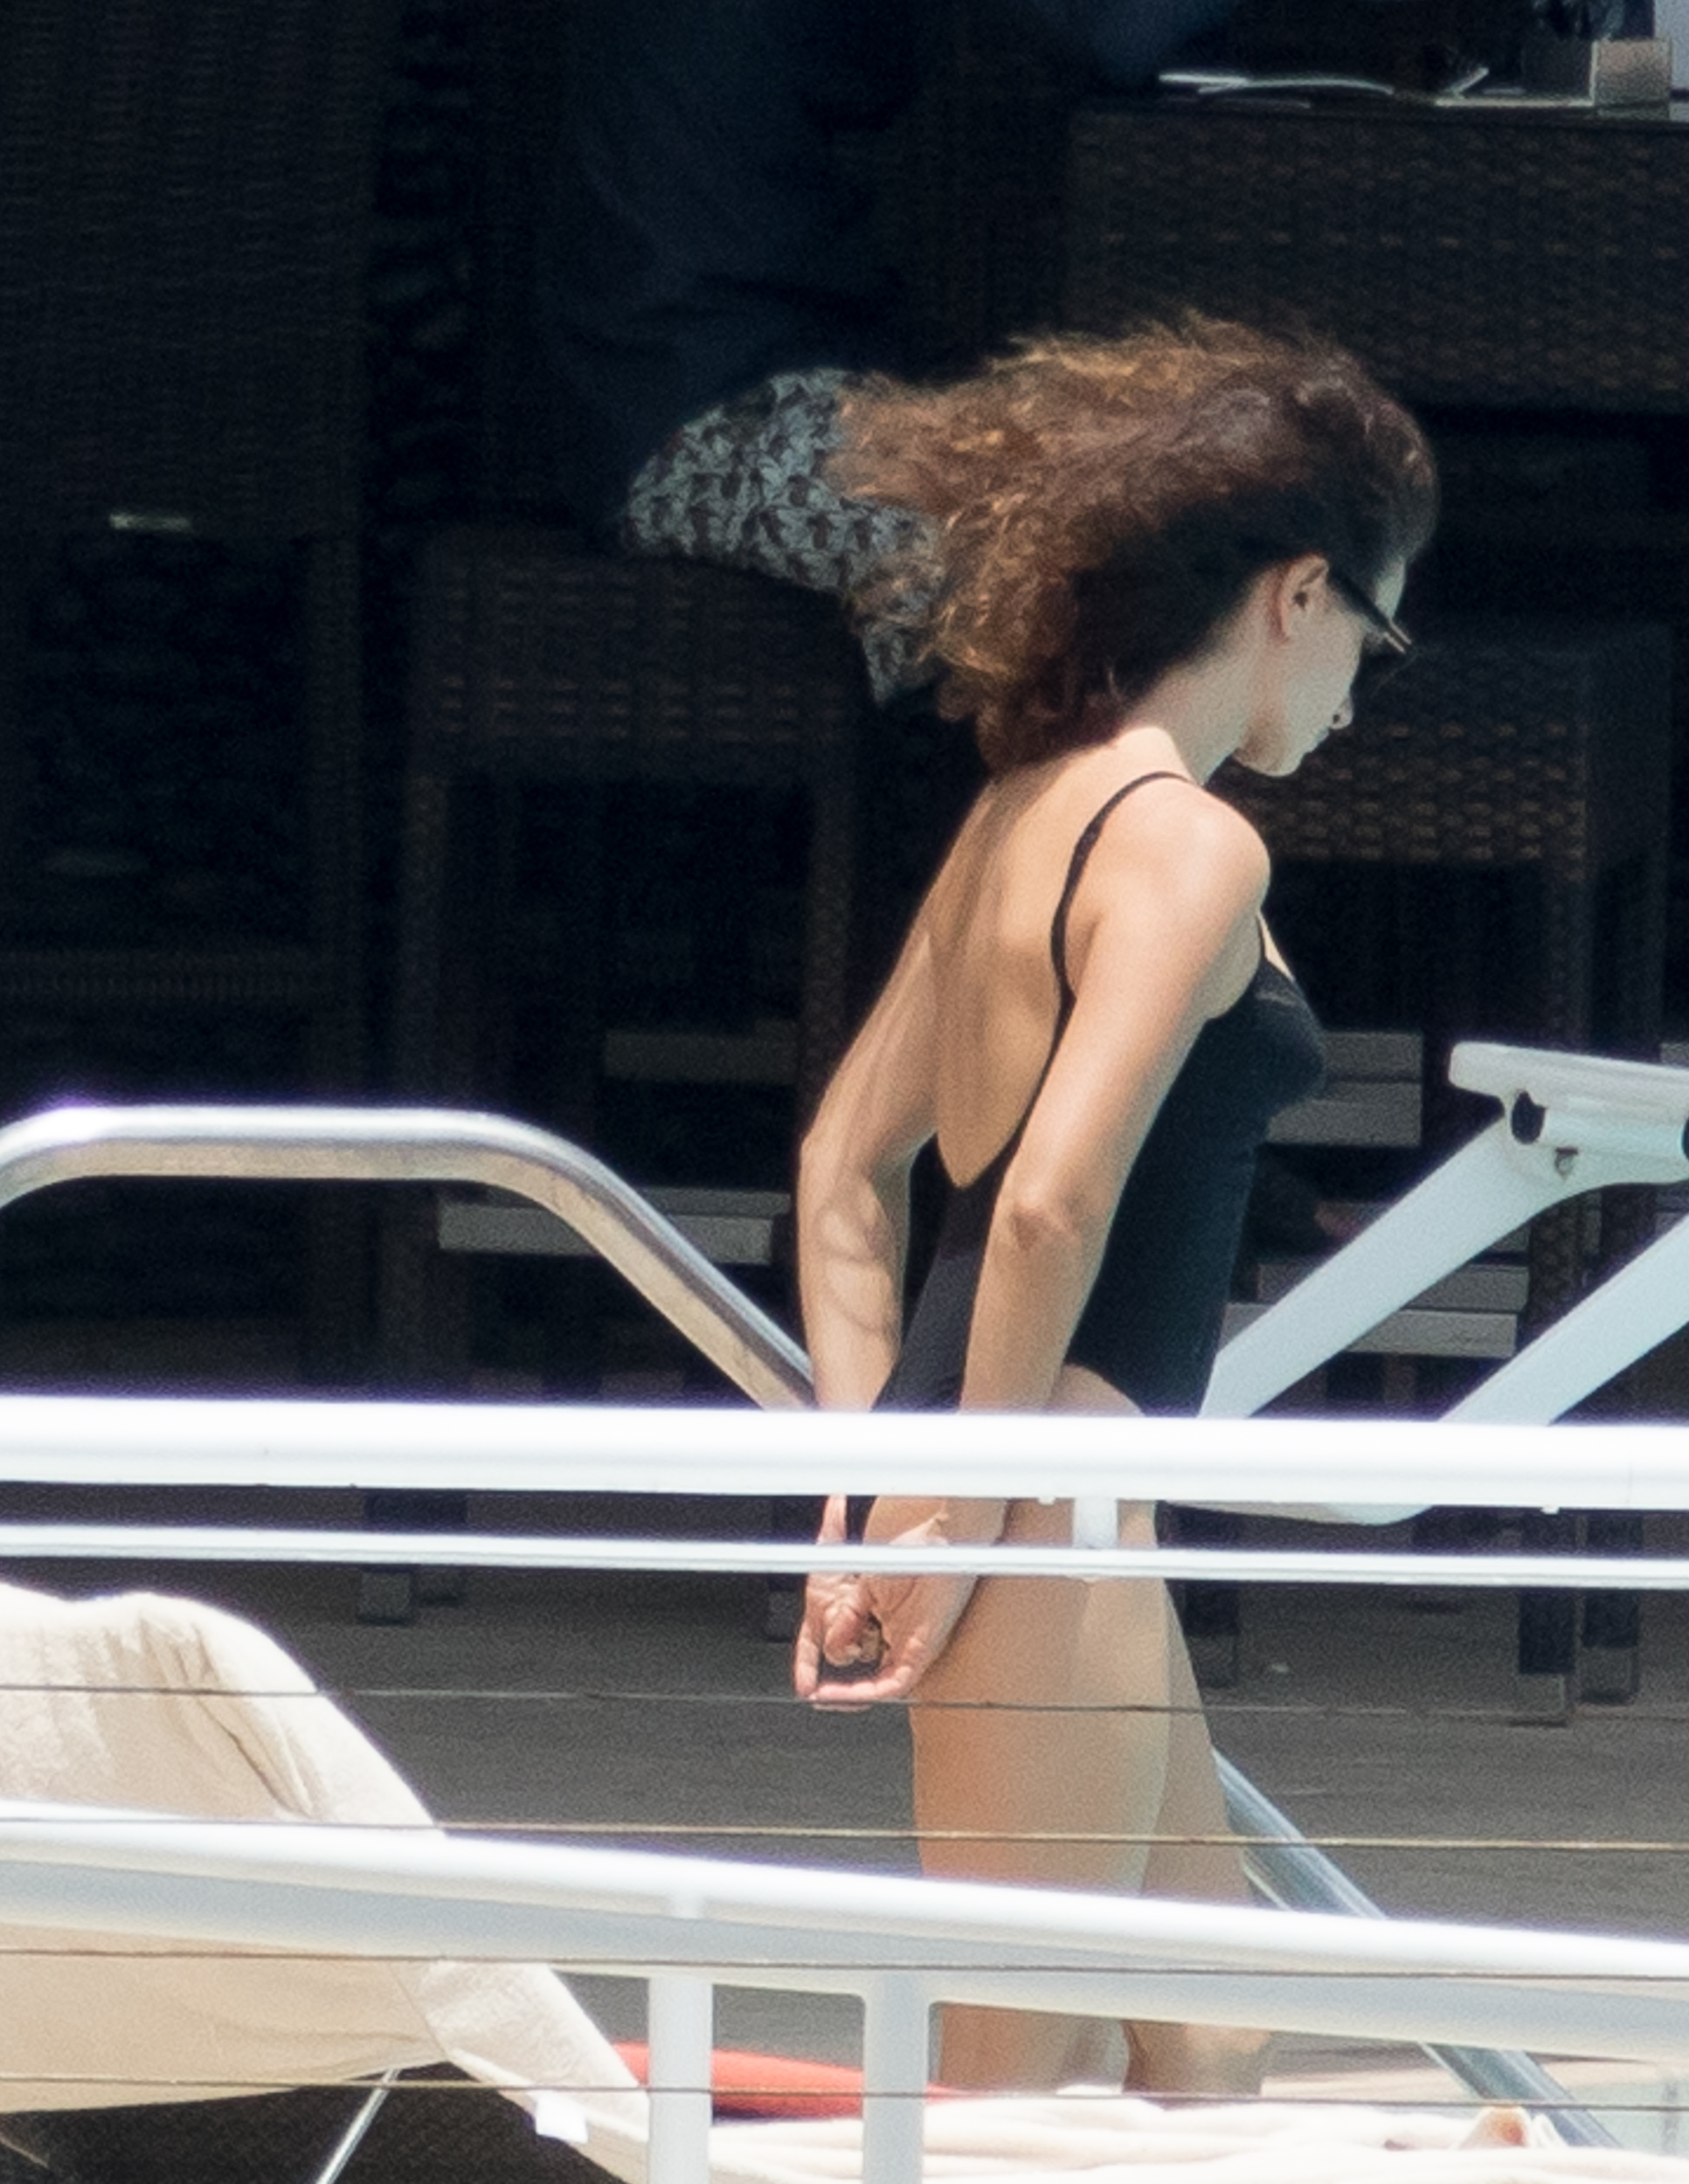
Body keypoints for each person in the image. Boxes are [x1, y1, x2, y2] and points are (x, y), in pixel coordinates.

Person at [788, 319, 1437, 2093]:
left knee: (1209, 2033)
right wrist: (961, 1516)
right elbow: (1049, 1206)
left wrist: (870, 1491)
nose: (1361, 693)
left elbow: (846, 1170)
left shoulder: (1021, 809)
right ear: (1298, 596)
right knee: (1008, 2072)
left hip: (1017, 1473)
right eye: (1376, 639)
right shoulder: (1189, 841)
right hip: (1044, 1482)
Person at [535, 0, 1247, 701]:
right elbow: (1111, 32)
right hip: (680, 421)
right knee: (1030, 573)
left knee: (1095, 509)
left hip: (747, 374)